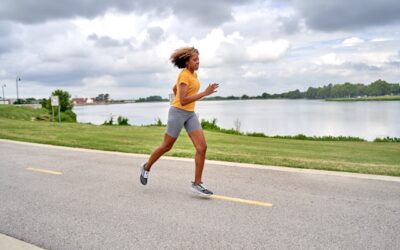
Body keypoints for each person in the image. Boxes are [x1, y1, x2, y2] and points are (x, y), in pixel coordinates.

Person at [139, 46, 219, 197]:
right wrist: (205, 93)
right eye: (195, 60)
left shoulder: (193, 74)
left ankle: (197, 183)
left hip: (190, 114)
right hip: (178, 113)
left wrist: (181, 99)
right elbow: (182, 100)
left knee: (202, 148)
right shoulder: (184, 75)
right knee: (167, 146)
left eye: (198, 59)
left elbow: (174, 89)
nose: (198, 62)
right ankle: (146, 167)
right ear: (187, 62)